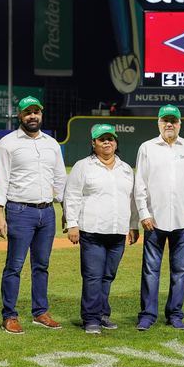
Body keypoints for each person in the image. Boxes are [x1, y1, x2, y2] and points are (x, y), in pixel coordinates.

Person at [0, 96, 67, 334]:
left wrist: (67, 210)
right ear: (20, 116)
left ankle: (40, 312)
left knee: (42, 266)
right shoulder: (7, 144)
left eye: (36, 112)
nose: (32, 116)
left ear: (41, 114)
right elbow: (0, 181)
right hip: (19, 211)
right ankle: (9, 315)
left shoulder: (52, 144)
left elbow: (60, 179)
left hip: (47, 212)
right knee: (14, 265)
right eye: (28, 113)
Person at [134, 104, 184, 331]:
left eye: (173, 121)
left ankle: (175, 314)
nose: (169, 125)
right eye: (165, 120)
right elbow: (140, 185)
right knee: (150, 271)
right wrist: (144, 213)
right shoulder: (147, 148)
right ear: (158, 123)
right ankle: (147, 314)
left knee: (180, 271)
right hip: (155, 220)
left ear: (179, 124)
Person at [64, 123, 140, 334]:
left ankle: (102, 314)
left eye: (110, 138)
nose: (107, 142)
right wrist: (72, 224)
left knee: (108, 276)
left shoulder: (125, 169)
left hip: (117, 231)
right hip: (92, 230)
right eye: (102, 139)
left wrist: (133, 226)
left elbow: (131, 200)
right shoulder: (83, 166)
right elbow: (72, 195)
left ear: (116, 142)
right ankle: (90, 318)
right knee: (93, 276)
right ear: (93, 143)